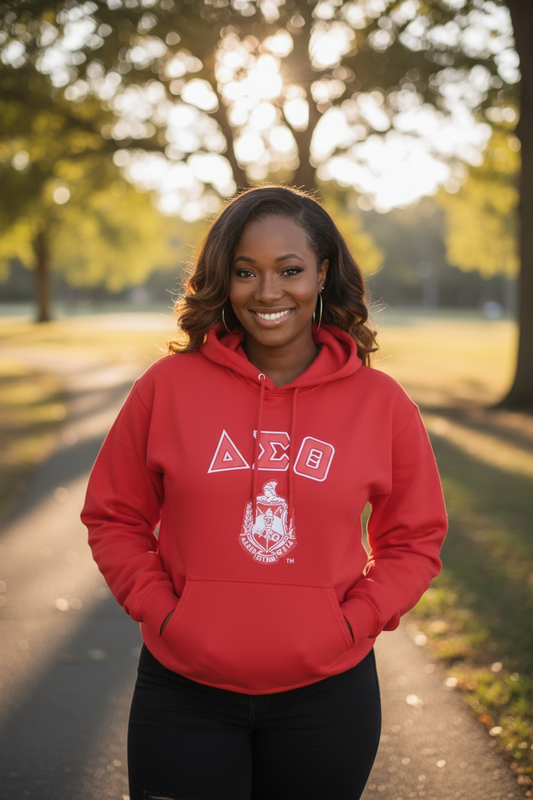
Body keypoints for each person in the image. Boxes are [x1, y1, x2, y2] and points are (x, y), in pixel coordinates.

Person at [81, 185, 447, 800]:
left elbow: (415, 538)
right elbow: (114, 516)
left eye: (291, 270)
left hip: (328, 698)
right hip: (183, 694)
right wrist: (163, 611)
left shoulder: (381, 404)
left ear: (324, 274)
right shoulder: (166, 388)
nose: (268, 292)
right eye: (245, 272)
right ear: (223, 279)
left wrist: (353, 621)